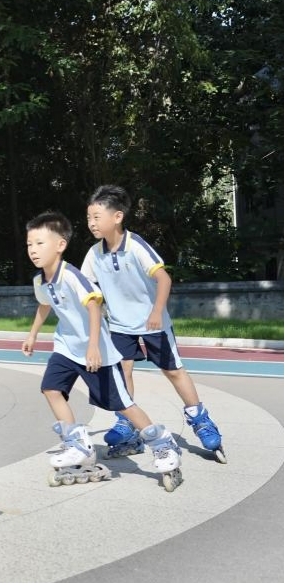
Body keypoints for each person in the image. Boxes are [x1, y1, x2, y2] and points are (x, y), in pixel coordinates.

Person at [20, 210, 183, 491]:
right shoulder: (40, 280)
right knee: (51, 389)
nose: (33, 250)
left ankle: (162, 444)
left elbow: (94, 307)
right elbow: (45, 304)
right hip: (66, 348)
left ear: (60, 245)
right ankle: (78, 443)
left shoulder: (72, 276)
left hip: (99, 353)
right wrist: (33, 334)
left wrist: (94, 346)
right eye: (29, 244)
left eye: (40, 243)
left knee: (122, 405)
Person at [82, 185, 225, 462]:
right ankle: (126, 424)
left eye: (97, 217)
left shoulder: (136, 246)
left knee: (173, 372)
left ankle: (201, 419)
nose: (91, 223)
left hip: (152, 324)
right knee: (123, 373)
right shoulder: (93, 254)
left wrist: (157, 311)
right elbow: (88, 292)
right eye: (89, 218)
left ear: (117, 216)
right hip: (120, 326)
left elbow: (164, 278)